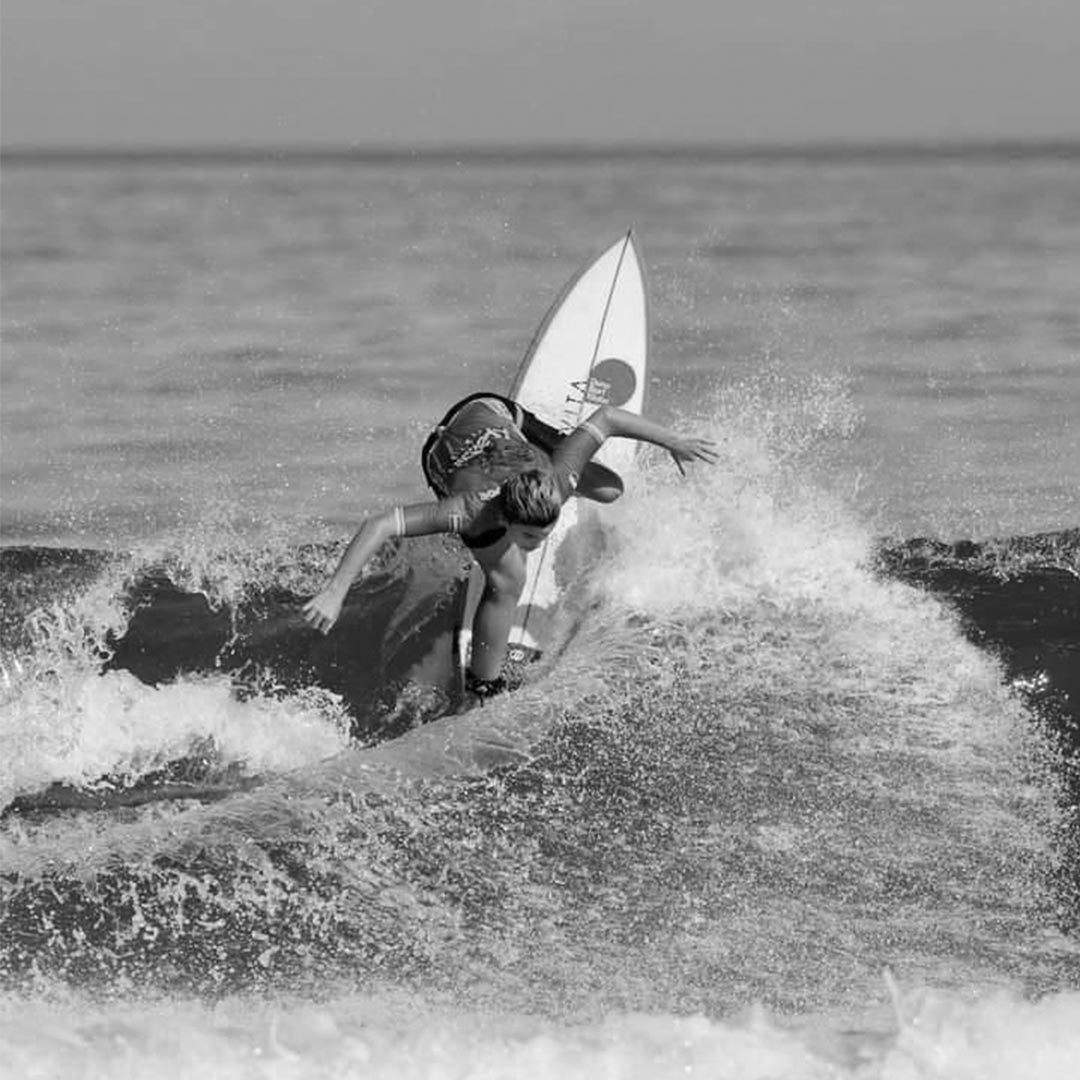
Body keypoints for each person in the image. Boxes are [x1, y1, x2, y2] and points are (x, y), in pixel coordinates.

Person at [302, 391, 717, 701]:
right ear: (507, 519)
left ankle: (542, 438)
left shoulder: (557, 482)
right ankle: (485, 683)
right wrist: (335, 591)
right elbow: (380, 524)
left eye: (545, 531)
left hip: (497, 411)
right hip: (446, 449)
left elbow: (607, 417)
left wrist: (672, 441)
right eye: (529, 537)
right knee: (507, 579)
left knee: (609, 489)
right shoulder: (468, 511)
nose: (539, 545)